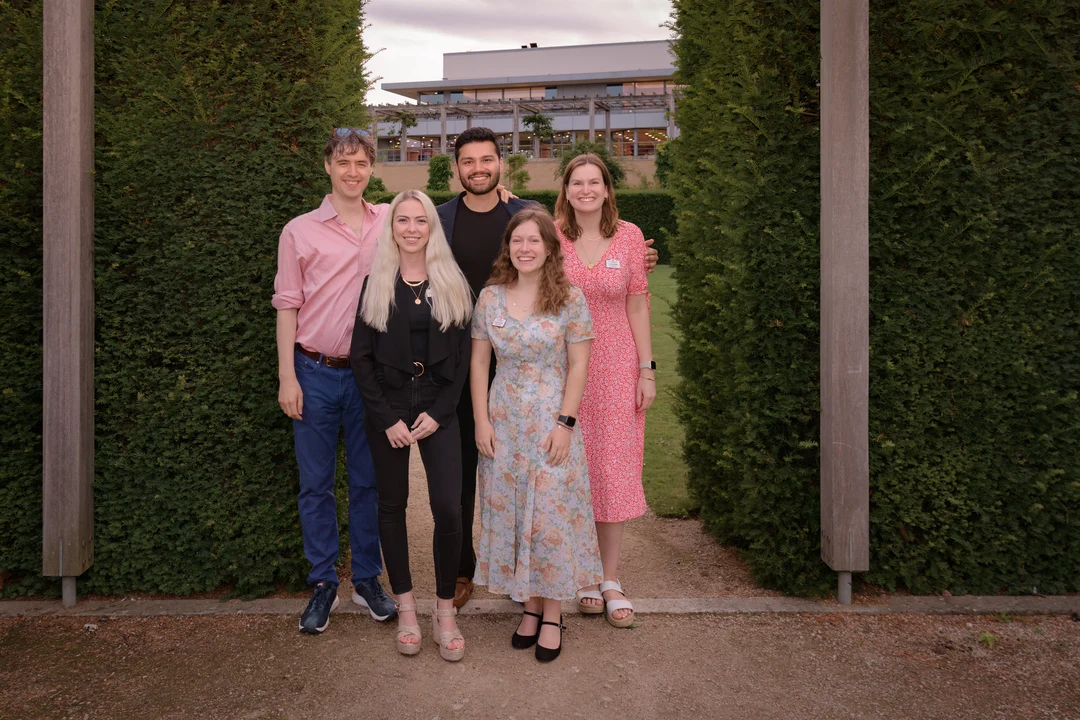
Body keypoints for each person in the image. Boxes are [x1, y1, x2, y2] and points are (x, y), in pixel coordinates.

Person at [436, 127, 659, 609]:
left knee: (570, 472)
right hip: (494, 360)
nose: (478, 168)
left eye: (486, 159)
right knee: (490, 472)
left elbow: (617, 286)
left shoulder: (592, 231)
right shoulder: (459, 222)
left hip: (570, 363)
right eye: (468, 161)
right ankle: (487, 571)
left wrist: (646, 362)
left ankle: (575, 577)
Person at [272, 128, 397, 634]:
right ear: (328, 166)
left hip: (369, 379)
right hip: (314, 372)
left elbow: (445, 222)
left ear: (371, 168)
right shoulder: (299, 231)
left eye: (362, 163)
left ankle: (367, 579)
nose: (352, 172)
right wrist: (287, 376)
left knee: (369, 483)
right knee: (316, 486)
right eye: (343, 162)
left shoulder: (388, 220)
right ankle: (323, 583)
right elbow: (287, 305)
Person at [470, 207, 602, 662]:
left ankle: (552, 613)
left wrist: (565, 423)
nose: (525, 248)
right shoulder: (490, 298)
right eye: (517, 240)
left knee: (547, 516)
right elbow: (479, 363)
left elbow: (580, 364)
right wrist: (481, 421)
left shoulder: (570, 299)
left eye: (534, 241)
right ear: (508, 247)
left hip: (551, 422)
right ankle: (528, 607)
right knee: (513, 514)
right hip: (503, 421)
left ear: (549, 248)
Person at [350, 189, 474, 661]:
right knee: (392, 505)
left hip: (438, 404)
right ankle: (405, 607)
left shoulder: (452, 280)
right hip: (390, 403)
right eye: (402, 220)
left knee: (449, 507)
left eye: (419, 220)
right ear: (392, 228)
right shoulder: (376, 282)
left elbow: (462, 358)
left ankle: (444, 611)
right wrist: (386, 418)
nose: (411, 228)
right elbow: (361, 359)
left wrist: (441, 411)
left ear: (431, 227)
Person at [555, 153, 655, 629]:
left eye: (595, 182)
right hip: (564, 368)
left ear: (607, 189)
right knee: (572, 470)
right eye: (578, 183)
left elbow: (638, 306)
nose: (586, 190)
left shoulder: (631, 236)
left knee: (612, 469)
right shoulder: (554, 236)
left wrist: (646, 369)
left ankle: (609, 578)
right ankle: (580, 575)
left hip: (615, 366)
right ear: (567, 190)